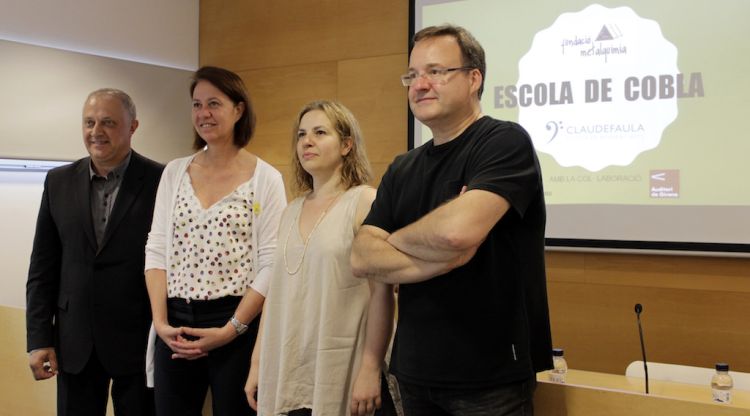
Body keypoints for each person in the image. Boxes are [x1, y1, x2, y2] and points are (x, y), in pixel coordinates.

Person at [350, 24, 553, 415]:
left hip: (489, 378)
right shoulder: (401, 168)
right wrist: (439, 249)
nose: (419, 85)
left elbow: (457, 233)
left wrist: (392, 243)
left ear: (474, 78)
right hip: (414, 374)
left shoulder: (504, 142)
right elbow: (361, 257)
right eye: (412, 75)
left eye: (436, 72)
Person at [144, 66, 286, 415]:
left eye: (213, 103)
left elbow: (271, 264)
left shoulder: (266, 178)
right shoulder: (174, 172)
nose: (203, 114)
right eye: (196, 105)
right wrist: (161, 324)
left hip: (235, 323)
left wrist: (231, 330)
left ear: (239, 110)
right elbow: (156, 250)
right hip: (174, 322)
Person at [244, 100, 396, 416]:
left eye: (320, 132)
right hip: (290, 368)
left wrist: (370, 369)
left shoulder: (364, 201)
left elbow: (381, 293)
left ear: (346, 145)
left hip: (343, 368)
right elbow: (276, 294)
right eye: (301, 134)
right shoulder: (290, 211)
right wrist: (259, 363)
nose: (307, 142)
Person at [26, 88, 163, 416]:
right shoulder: (57, 181)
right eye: (89, 122)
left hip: (138, 340)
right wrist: (38, 338)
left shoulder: (162, 180)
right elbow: (43, 266)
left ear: (133, 127)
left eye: (108, 122)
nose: (96, 132)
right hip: (75, 343)